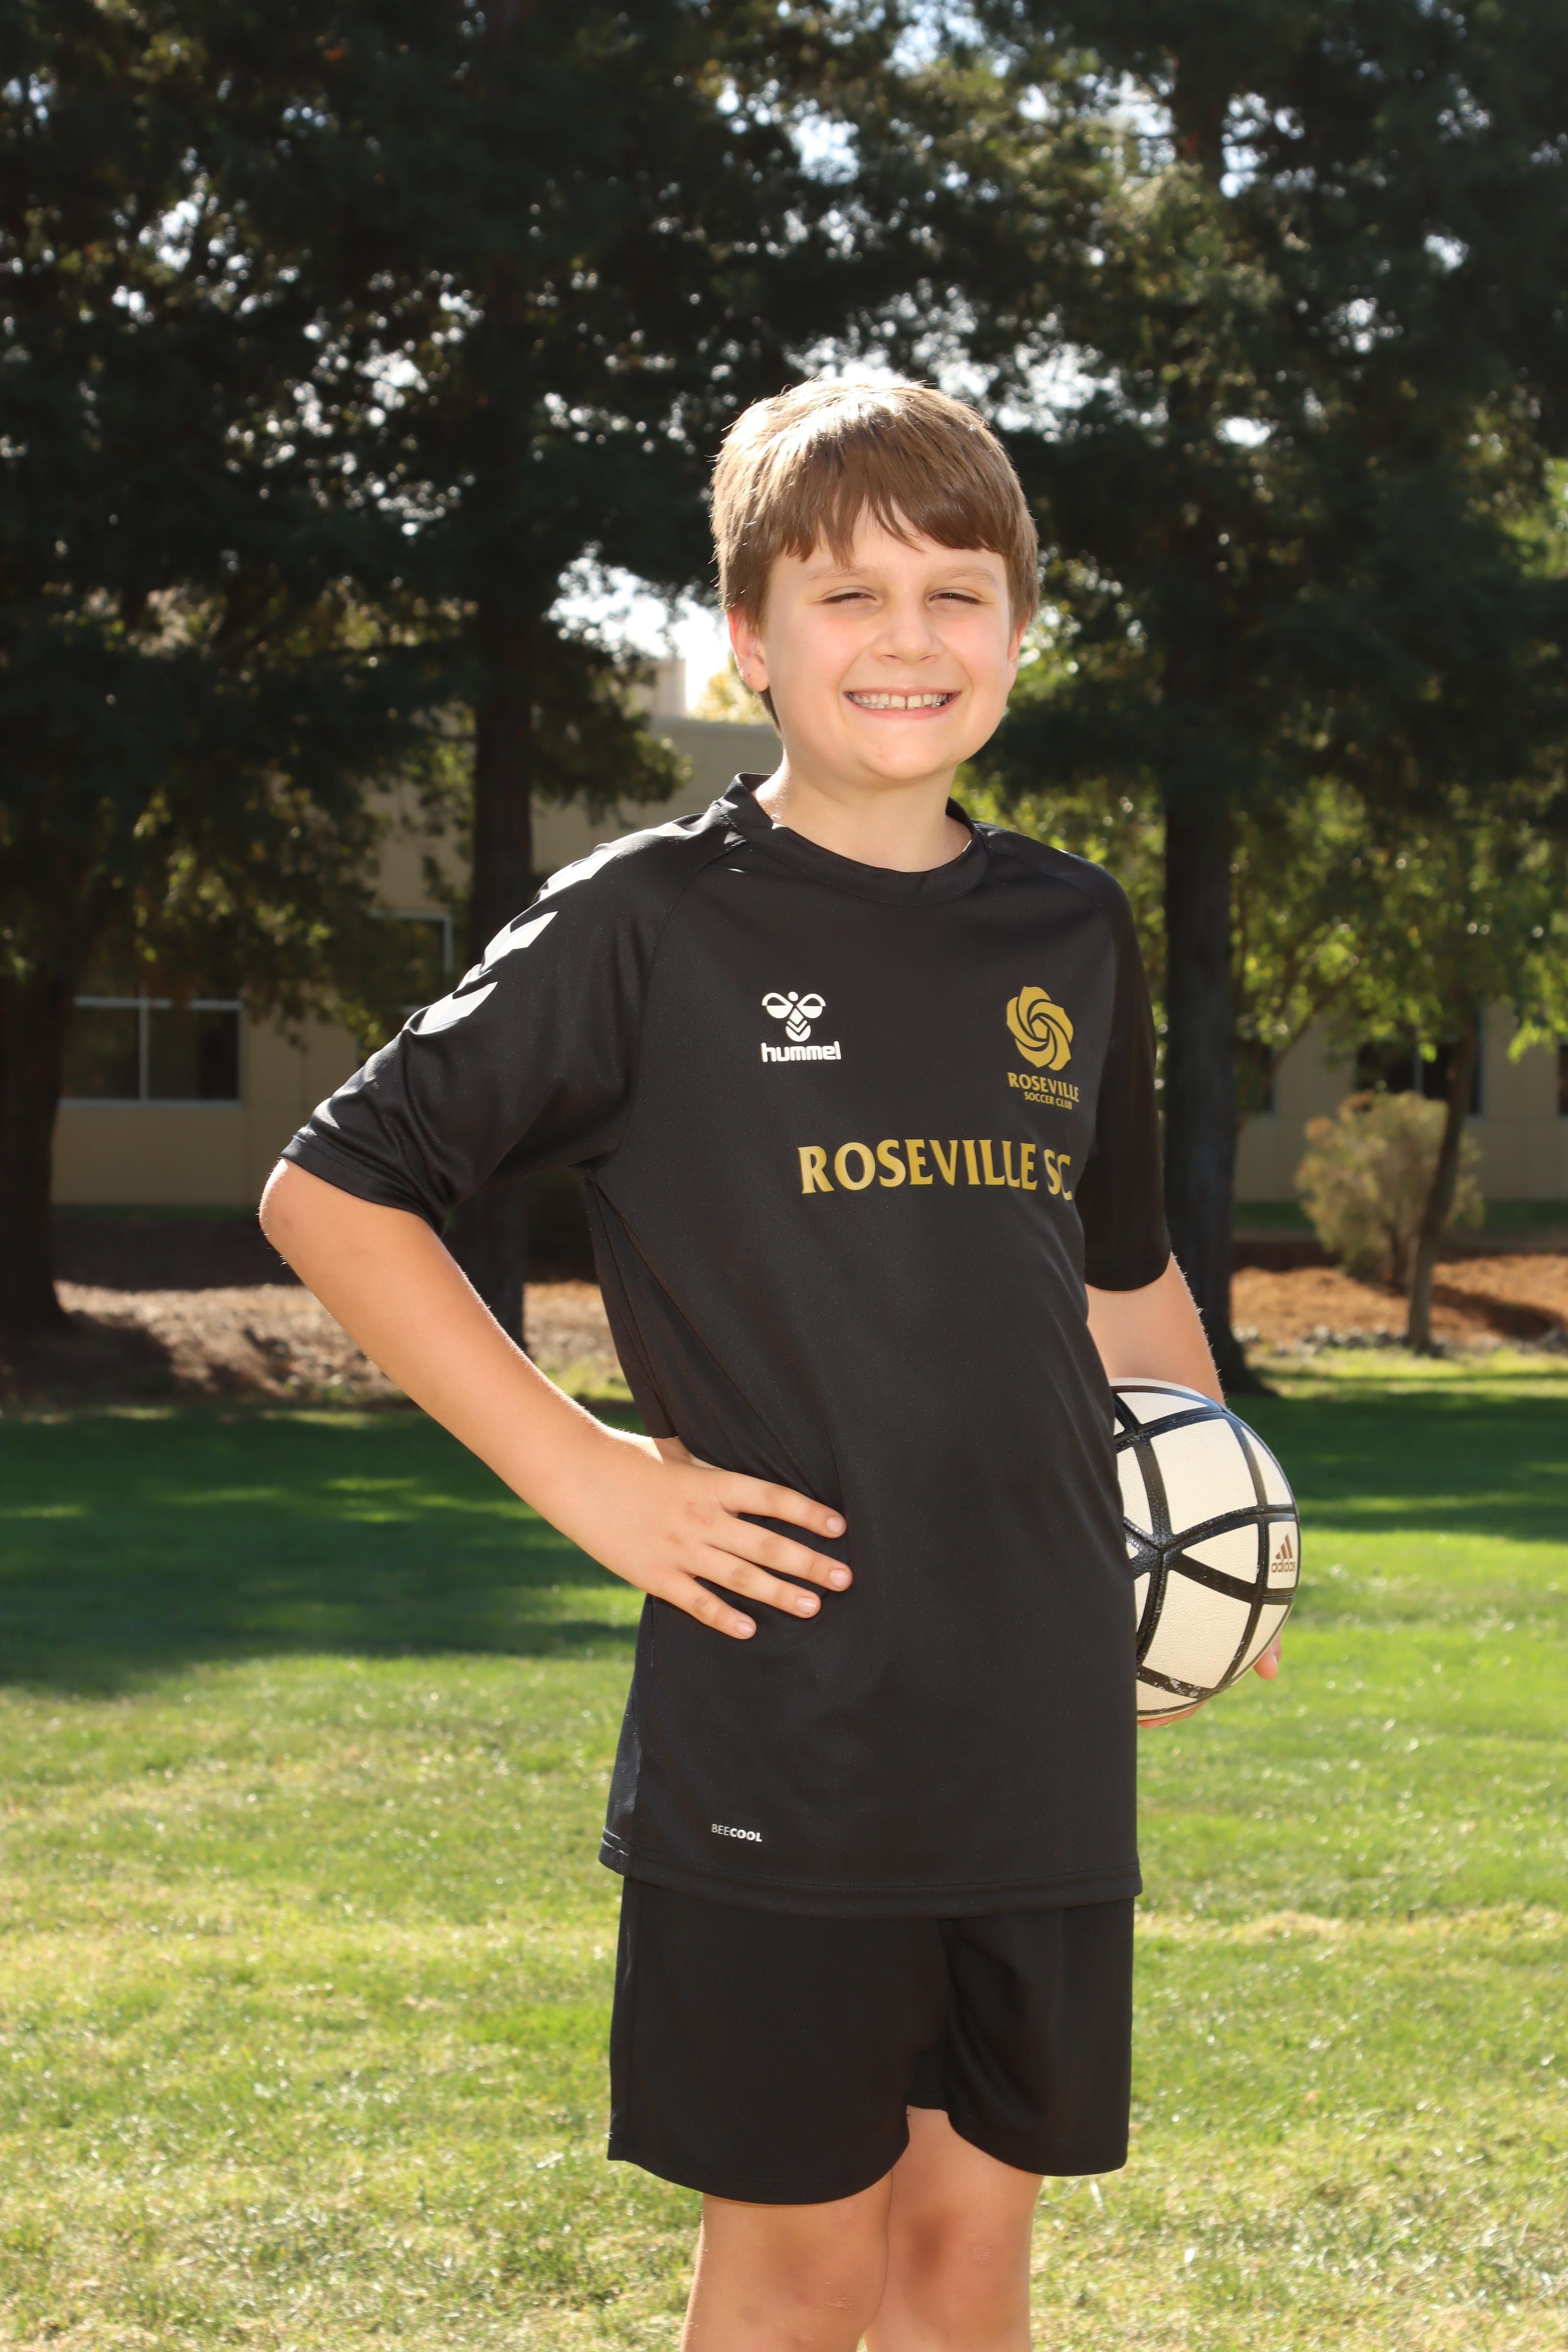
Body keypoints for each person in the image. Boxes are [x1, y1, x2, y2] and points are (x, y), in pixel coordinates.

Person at [260, 378, 1280, 2352]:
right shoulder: (653, 923)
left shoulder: (1069, 929)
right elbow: (333, 1191)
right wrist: (593, 1479)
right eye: (847, 594)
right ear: (748, 638)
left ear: (1019, 631)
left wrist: (1221, 1530)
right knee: (805, 2266)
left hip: (1037, 1730)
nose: (909, 637)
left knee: (966, 2263)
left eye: (957, 592)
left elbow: (1122, 1279)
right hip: (787, 1728)